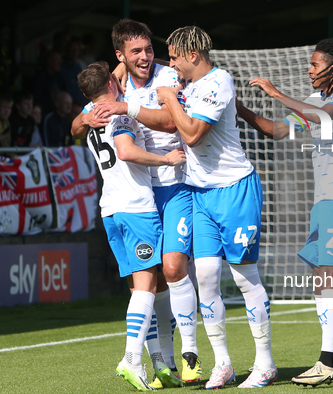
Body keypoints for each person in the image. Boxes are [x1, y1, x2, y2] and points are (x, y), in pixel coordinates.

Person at [234, 30, 333, 387]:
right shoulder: (314, 98)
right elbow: (277, 131)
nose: (309, 69)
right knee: (321, 273)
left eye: (315, 63)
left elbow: (322, 117)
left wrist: (275, 93)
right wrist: (239, 110)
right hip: (325, 197)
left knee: (328, 271)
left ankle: (327, 360)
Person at [70, 19, 201, 386]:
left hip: (127, 202)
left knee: (165, 276)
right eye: (135, 52)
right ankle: (141, 359)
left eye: (148, 49)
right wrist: (164, 158)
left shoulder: (163, 78)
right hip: (138, 200)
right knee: (147, 285)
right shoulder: (115, 100)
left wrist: (105, 110)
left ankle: (173, 358)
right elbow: (122, 149)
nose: (144, 57)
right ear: (120, 60)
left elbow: (171, 123)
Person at [157, 25, 277, 389]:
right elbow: (160, 79)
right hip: (200, 194)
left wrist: (170, 98)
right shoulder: (188, 85)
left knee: (243, 277)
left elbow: (192, 134)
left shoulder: (219, 81)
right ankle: (223, 363)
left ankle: (266, 363)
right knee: (205, 278)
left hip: (235, 190)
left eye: (176, 57)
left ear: (194, 55)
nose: (172, 65)